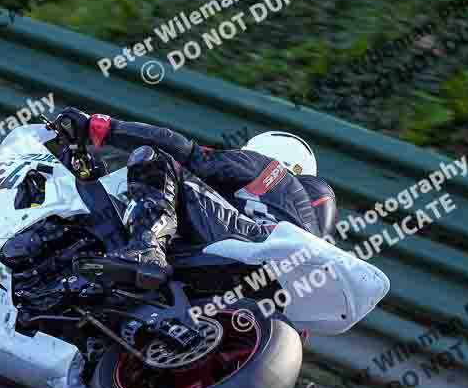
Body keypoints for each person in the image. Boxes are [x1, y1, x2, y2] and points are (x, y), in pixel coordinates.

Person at [55, 107, 338, 289]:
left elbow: (190, 155)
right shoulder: (294, 218)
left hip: (253, 247)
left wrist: (102, 128)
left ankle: (146, 246)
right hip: (261, 291)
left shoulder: (263, 168)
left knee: (155, 159)